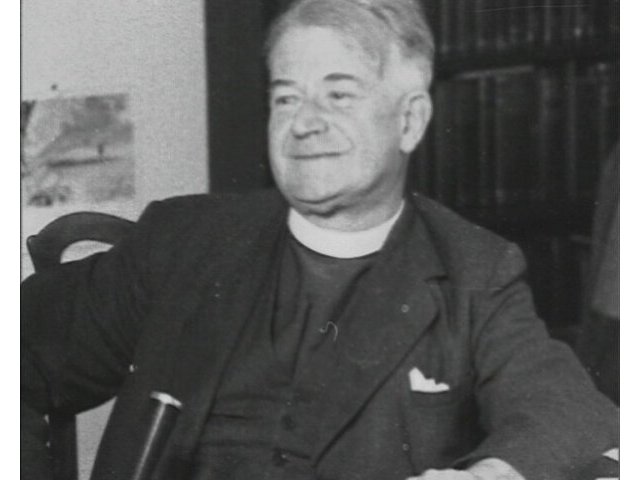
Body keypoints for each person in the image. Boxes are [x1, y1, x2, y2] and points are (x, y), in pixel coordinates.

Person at [21, 1, 618, 479]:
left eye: (339, 94)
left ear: (410, 120)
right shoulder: (183, 241)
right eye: (287, 96)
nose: (304, 122)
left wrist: (489, 475)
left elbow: (571, 413)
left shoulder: (474, 272)